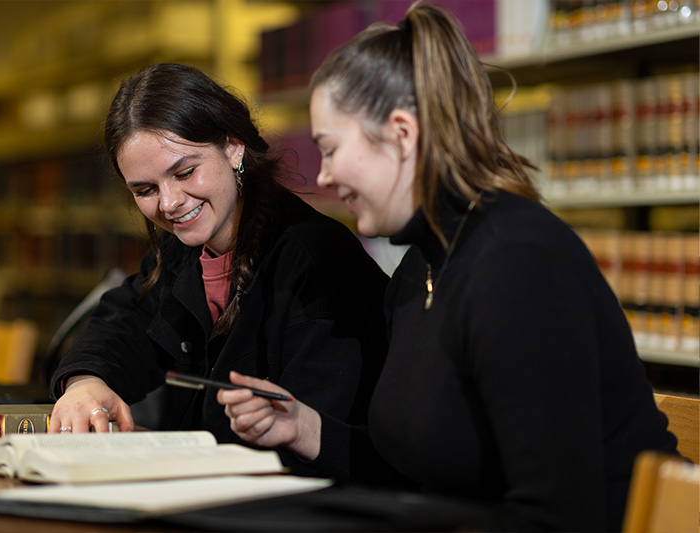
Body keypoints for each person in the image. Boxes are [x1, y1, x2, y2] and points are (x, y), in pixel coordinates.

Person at [217, 3, 681, 530]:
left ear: (401, 134)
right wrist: (305, 428)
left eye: (330, 149)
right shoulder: (421, 269)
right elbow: (421, 474)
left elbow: (558, 513)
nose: (322, 177)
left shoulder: (518, 263)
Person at [48, 63, 390, 476]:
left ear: (233, 147)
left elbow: (316, 445)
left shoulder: (315, 261)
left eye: (185, 172)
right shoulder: (182, 253)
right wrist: (86, 381)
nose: (170, 203)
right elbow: (127, 317)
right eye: (145, 190)